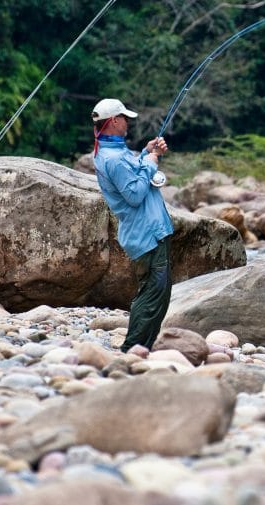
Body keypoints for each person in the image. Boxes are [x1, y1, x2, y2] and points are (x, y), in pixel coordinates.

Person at [91, 97, 174, 352]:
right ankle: (133, 348)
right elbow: (135, 194)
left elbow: (133, 173)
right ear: (114, 121)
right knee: (152, 293)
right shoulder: (112, 159)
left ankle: (142, 347)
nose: (128, 122)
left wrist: (146, 153)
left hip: (151, 231)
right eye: (124, 118)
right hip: (146, 234)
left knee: (157, 291)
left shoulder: (117, 152)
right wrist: (152, 161)